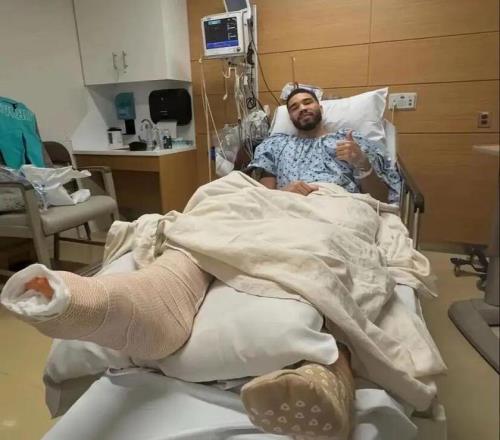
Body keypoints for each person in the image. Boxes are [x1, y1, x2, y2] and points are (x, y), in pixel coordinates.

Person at [248, 88, 401, 204]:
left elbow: (381, 199)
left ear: (321, 109)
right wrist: (284, 194)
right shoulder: (277, 145)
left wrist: (363, 164)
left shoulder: (350, 141)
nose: (302, 108)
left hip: (339, 207)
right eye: (294, 107)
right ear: (290, 118)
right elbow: (264, 198)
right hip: (289, 207)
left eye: (307, 102)